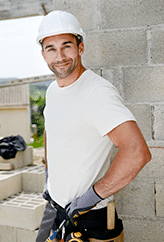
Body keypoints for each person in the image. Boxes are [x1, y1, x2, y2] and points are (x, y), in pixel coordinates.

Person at [35, 10, 151, 242]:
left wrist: (93, 196)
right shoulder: (53, 91)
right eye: (51, 49)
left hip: (90, 220)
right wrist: (50, 175)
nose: (60, 56)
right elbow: (51, 130)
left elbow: (137, 152)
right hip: (57, 212)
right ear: (43, 55)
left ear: (81, 47)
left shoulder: (96, 93)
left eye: (66, 46)